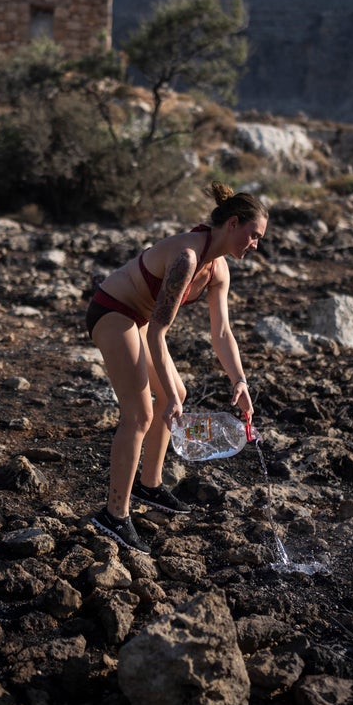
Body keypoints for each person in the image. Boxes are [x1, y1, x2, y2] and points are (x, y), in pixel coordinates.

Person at [86, 181, 268, 553]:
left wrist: (241, 381)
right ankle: (113, 515)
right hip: (113, 311)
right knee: (139, 414)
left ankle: (149, 486)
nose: (255, 245)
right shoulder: (186, 257)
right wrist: (166, 395)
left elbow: (222, 333)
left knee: (178, 394)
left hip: (138, 318)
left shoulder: (218, 271)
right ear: (232, 224)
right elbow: (157, 332)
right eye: (253, 235)